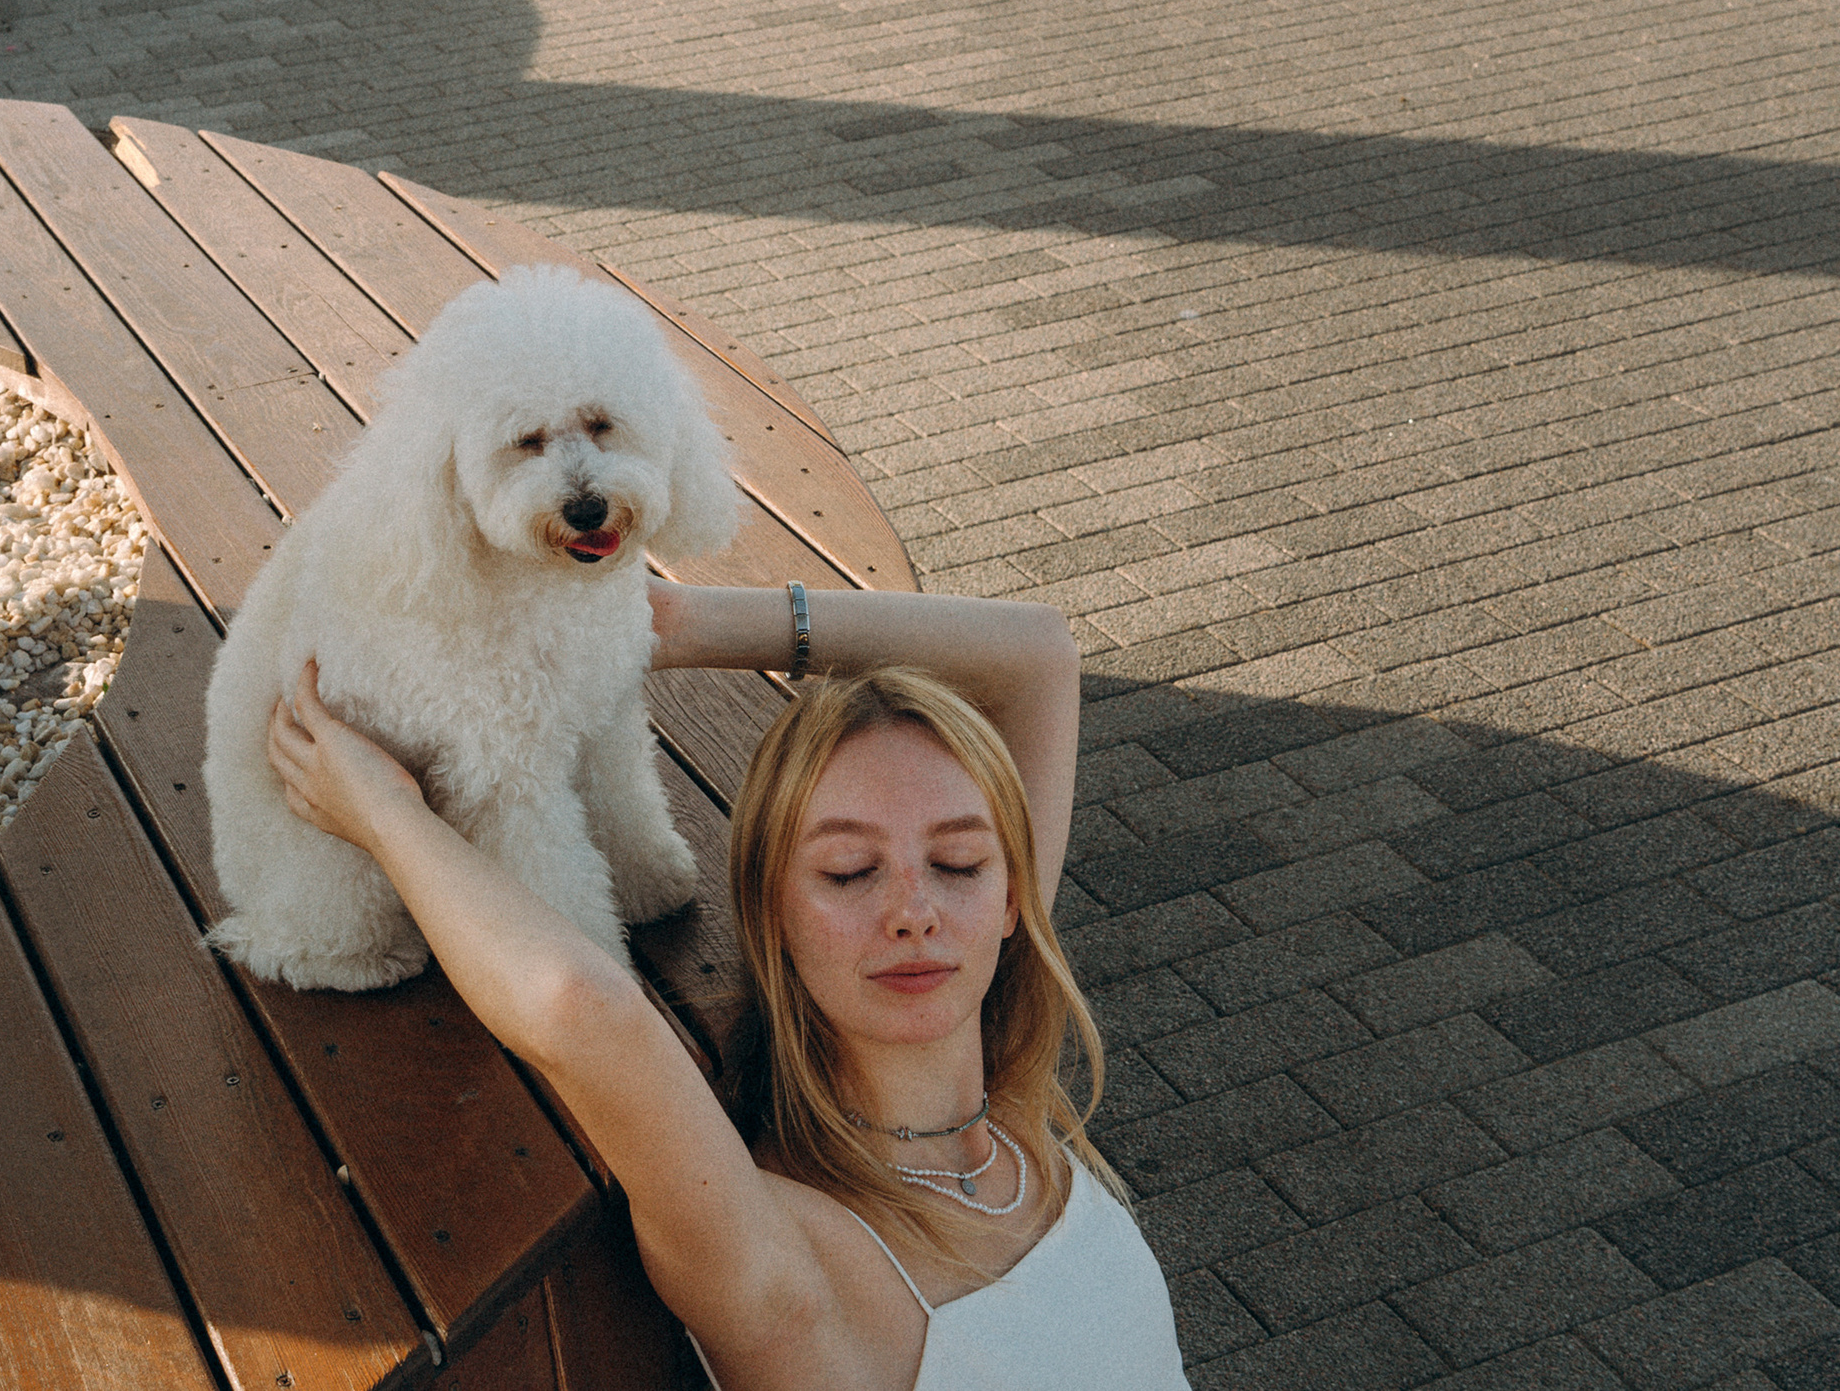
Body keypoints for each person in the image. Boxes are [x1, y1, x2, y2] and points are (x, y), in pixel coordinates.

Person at [264, 579, 1191, 1391]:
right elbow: (585, 1011)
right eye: (847, 873)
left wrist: (679, 623)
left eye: (955, 861)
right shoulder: (790, 1266)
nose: (916, 910)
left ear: (1012, 899)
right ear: (771, 913)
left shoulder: (1015, 1116)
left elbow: (1038, 652)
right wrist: (383, 812)